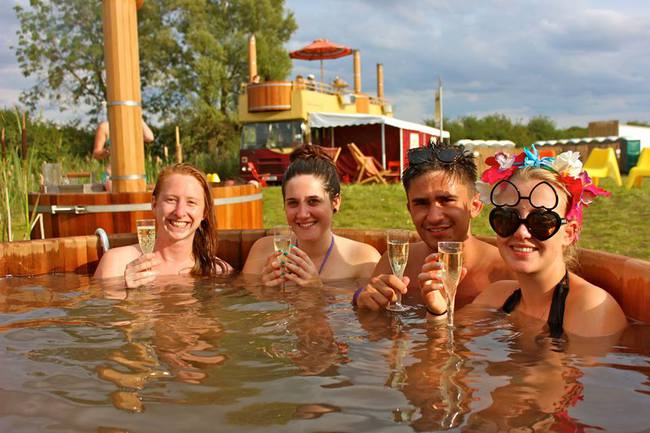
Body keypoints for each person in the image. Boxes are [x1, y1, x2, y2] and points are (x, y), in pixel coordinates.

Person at [471, 146, 627, 337]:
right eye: (506, 218)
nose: (521, 233)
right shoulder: (495, 297)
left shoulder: (590, 309)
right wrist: (437, 311)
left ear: (569, 233)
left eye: (542, 221)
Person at [355, 141, 512, 314]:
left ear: (475, 206)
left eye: (447, 200)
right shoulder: (396, 265)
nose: (434, 217)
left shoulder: (506, 270)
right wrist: (365, 306)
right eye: (421, 203)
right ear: (410, 209)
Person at [242, 144, 380, 286]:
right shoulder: (262, 251)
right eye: (293, 203)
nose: (302, 214)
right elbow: (241, 301)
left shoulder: (363, 260)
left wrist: (318, 292)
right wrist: (262, 292)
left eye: (313, 201)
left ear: (335, 202)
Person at [94, 163, 232, 287]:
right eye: (171, 200)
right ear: (154, 204)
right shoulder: (116, 264)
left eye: (191, 202)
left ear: (204, 213)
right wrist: (124, 293)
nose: (179, 212)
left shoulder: (219, 272)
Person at [93, 119, 155, 191]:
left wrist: (138, 116)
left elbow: (149, 137)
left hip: (135, 175)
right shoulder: (105, 127)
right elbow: (96, 153)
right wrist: (107, 151)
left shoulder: (133, 125)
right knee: (119, 199)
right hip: (112, 176)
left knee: (138, 200)